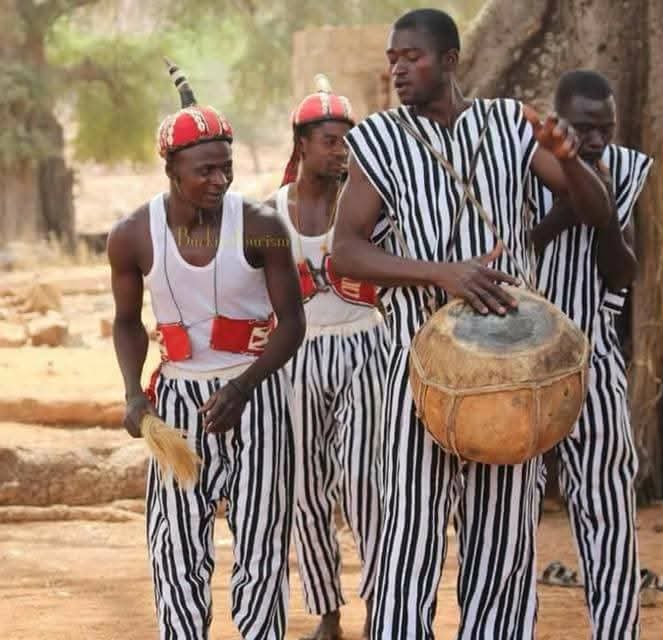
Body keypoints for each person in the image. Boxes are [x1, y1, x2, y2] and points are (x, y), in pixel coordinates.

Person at [330, 9, 616, 639]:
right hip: (420, 371)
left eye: (413, 57)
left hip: (514, 370)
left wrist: (570, 160)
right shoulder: (378, 139)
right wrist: (442, 274)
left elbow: (597, 211)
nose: (398, 69)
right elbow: (344, 252)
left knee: (504, 545)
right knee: (409, 536)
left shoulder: (510, 124)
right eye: (393, 58)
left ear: (451, 60)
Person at [106, 60, 306, 640]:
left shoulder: (261, 224)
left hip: (257, 394)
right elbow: (127, 323)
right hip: (176, 405)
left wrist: (243, 387)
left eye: (227, 168)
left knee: (262, 541)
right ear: (171, 168)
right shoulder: (132, 235)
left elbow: (292, 324)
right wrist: (133, 395)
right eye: (205, 171)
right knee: (175, 546)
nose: (219, 180)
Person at [265, 75, 388, 640]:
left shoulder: (368, 207)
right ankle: (327, 612)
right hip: (296, 356)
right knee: (303, 488)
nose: (341, 152)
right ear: (302, 145)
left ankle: (384, 601)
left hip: (364, 346)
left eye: (347, 141)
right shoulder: (270, 216)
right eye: (330, 141)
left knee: (364, 479)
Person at [529, 69, 651, 639]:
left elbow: (623, 271)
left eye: (607, 127)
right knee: (511, 512)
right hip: (519, 364)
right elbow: (512, 250)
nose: (598, 140)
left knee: (607, 507)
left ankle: (617, 630)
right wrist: (568, 205)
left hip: (593, 356)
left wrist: (602, 214)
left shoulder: (623, 169)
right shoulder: (523, 167)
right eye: (584, 128)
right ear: (558, 122)